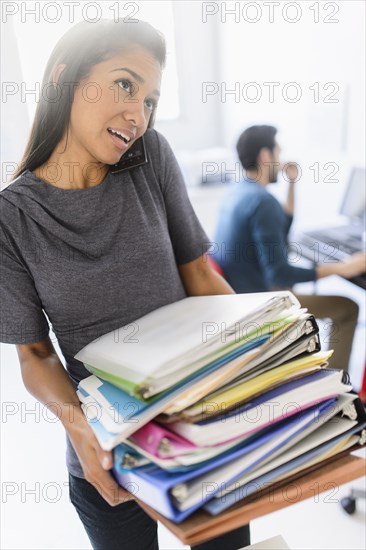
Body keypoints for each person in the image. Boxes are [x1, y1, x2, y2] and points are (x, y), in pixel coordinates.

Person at [0, 19, 250, 550]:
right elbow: (35, 358)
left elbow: (201, 278)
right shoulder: (11, 218)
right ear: (68, 79)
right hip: (106, 451)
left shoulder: (150, 159)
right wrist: (81, 431)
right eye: (124, 84)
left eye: (151, 99)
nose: (138, 114)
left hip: (198, 428)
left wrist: (270, 352)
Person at [212, 125, 366, 372]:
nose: (281, 160)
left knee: (293, 284)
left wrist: (292, 183)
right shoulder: (264, 203)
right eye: (278, 153)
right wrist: (343, 268)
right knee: (348, 307)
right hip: (256, 303)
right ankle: (337, 386)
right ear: (266, 156)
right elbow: (279, 273)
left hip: (236, 291)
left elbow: (280, 228)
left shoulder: (239, 192)